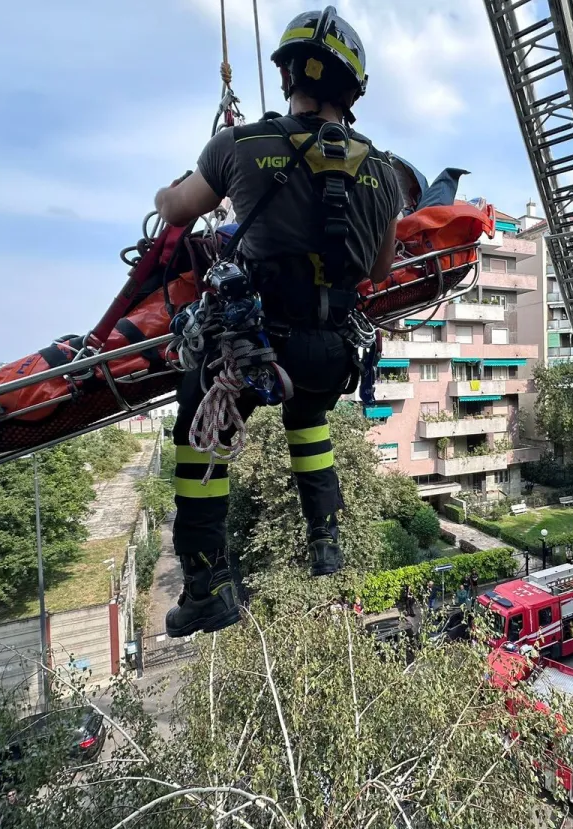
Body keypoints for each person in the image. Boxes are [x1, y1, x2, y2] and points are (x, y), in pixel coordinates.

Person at [154, 7, 401, 639]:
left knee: (197, 426)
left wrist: (169, 194)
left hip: (258, 358)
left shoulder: (240, 145)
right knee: (308, 416)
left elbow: (177, 210)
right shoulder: (386, 173)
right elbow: (377, 265)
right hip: (331, 365)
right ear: (354, 91)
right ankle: (327, 538)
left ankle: (206, 585)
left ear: (287, 71)